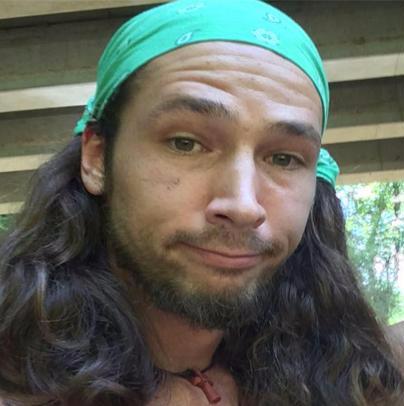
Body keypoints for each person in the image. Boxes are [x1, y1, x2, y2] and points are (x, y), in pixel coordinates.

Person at [0, 0, 403, 404]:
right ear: (96, 159)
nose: (244, 206)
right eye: (185, 143)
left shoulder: (352, 381)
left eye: (284, 159)